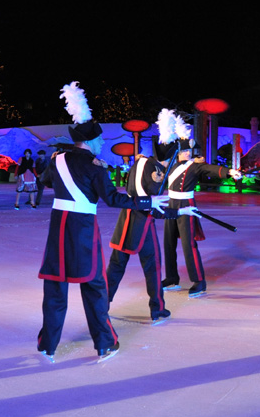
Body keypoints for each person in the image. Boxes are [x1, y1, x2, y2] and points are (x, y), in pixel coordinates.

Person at [36, 81, 192, 363]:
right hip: (82, 230)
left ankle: (48, 346)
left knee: (55, 288)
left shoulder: (57, 159)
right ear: (92, 141)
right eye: (99, 141)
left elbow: (44, 181)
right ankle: (105, 343)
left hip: (58, 231)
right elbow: (113, 199)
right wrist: (147, 202)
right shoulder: (95, 167)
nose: (100, 145)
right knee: (94, 287)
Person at [159, 110, 242, 298]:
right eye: (183, 151)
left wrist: (229, 171)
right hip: (171, 204)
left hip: (186, 204)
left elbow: (209, 168)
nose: (186, 153)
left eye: (188, 151)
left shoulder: (195, 165)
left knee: (189, 245)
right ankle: (172, 278)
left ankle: (199, 281)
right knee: (168, 243)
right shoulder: (171, 165)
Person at [107, 154, 177, 324]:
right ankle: (157, 309)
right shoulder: (152, 167)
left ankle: (100, 305)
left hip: (126, 220)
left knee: (116, 267)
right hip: (143, 223)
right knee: (153, 267)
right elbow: (153, 205)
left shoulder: (139, 164)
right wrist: (178, 212)